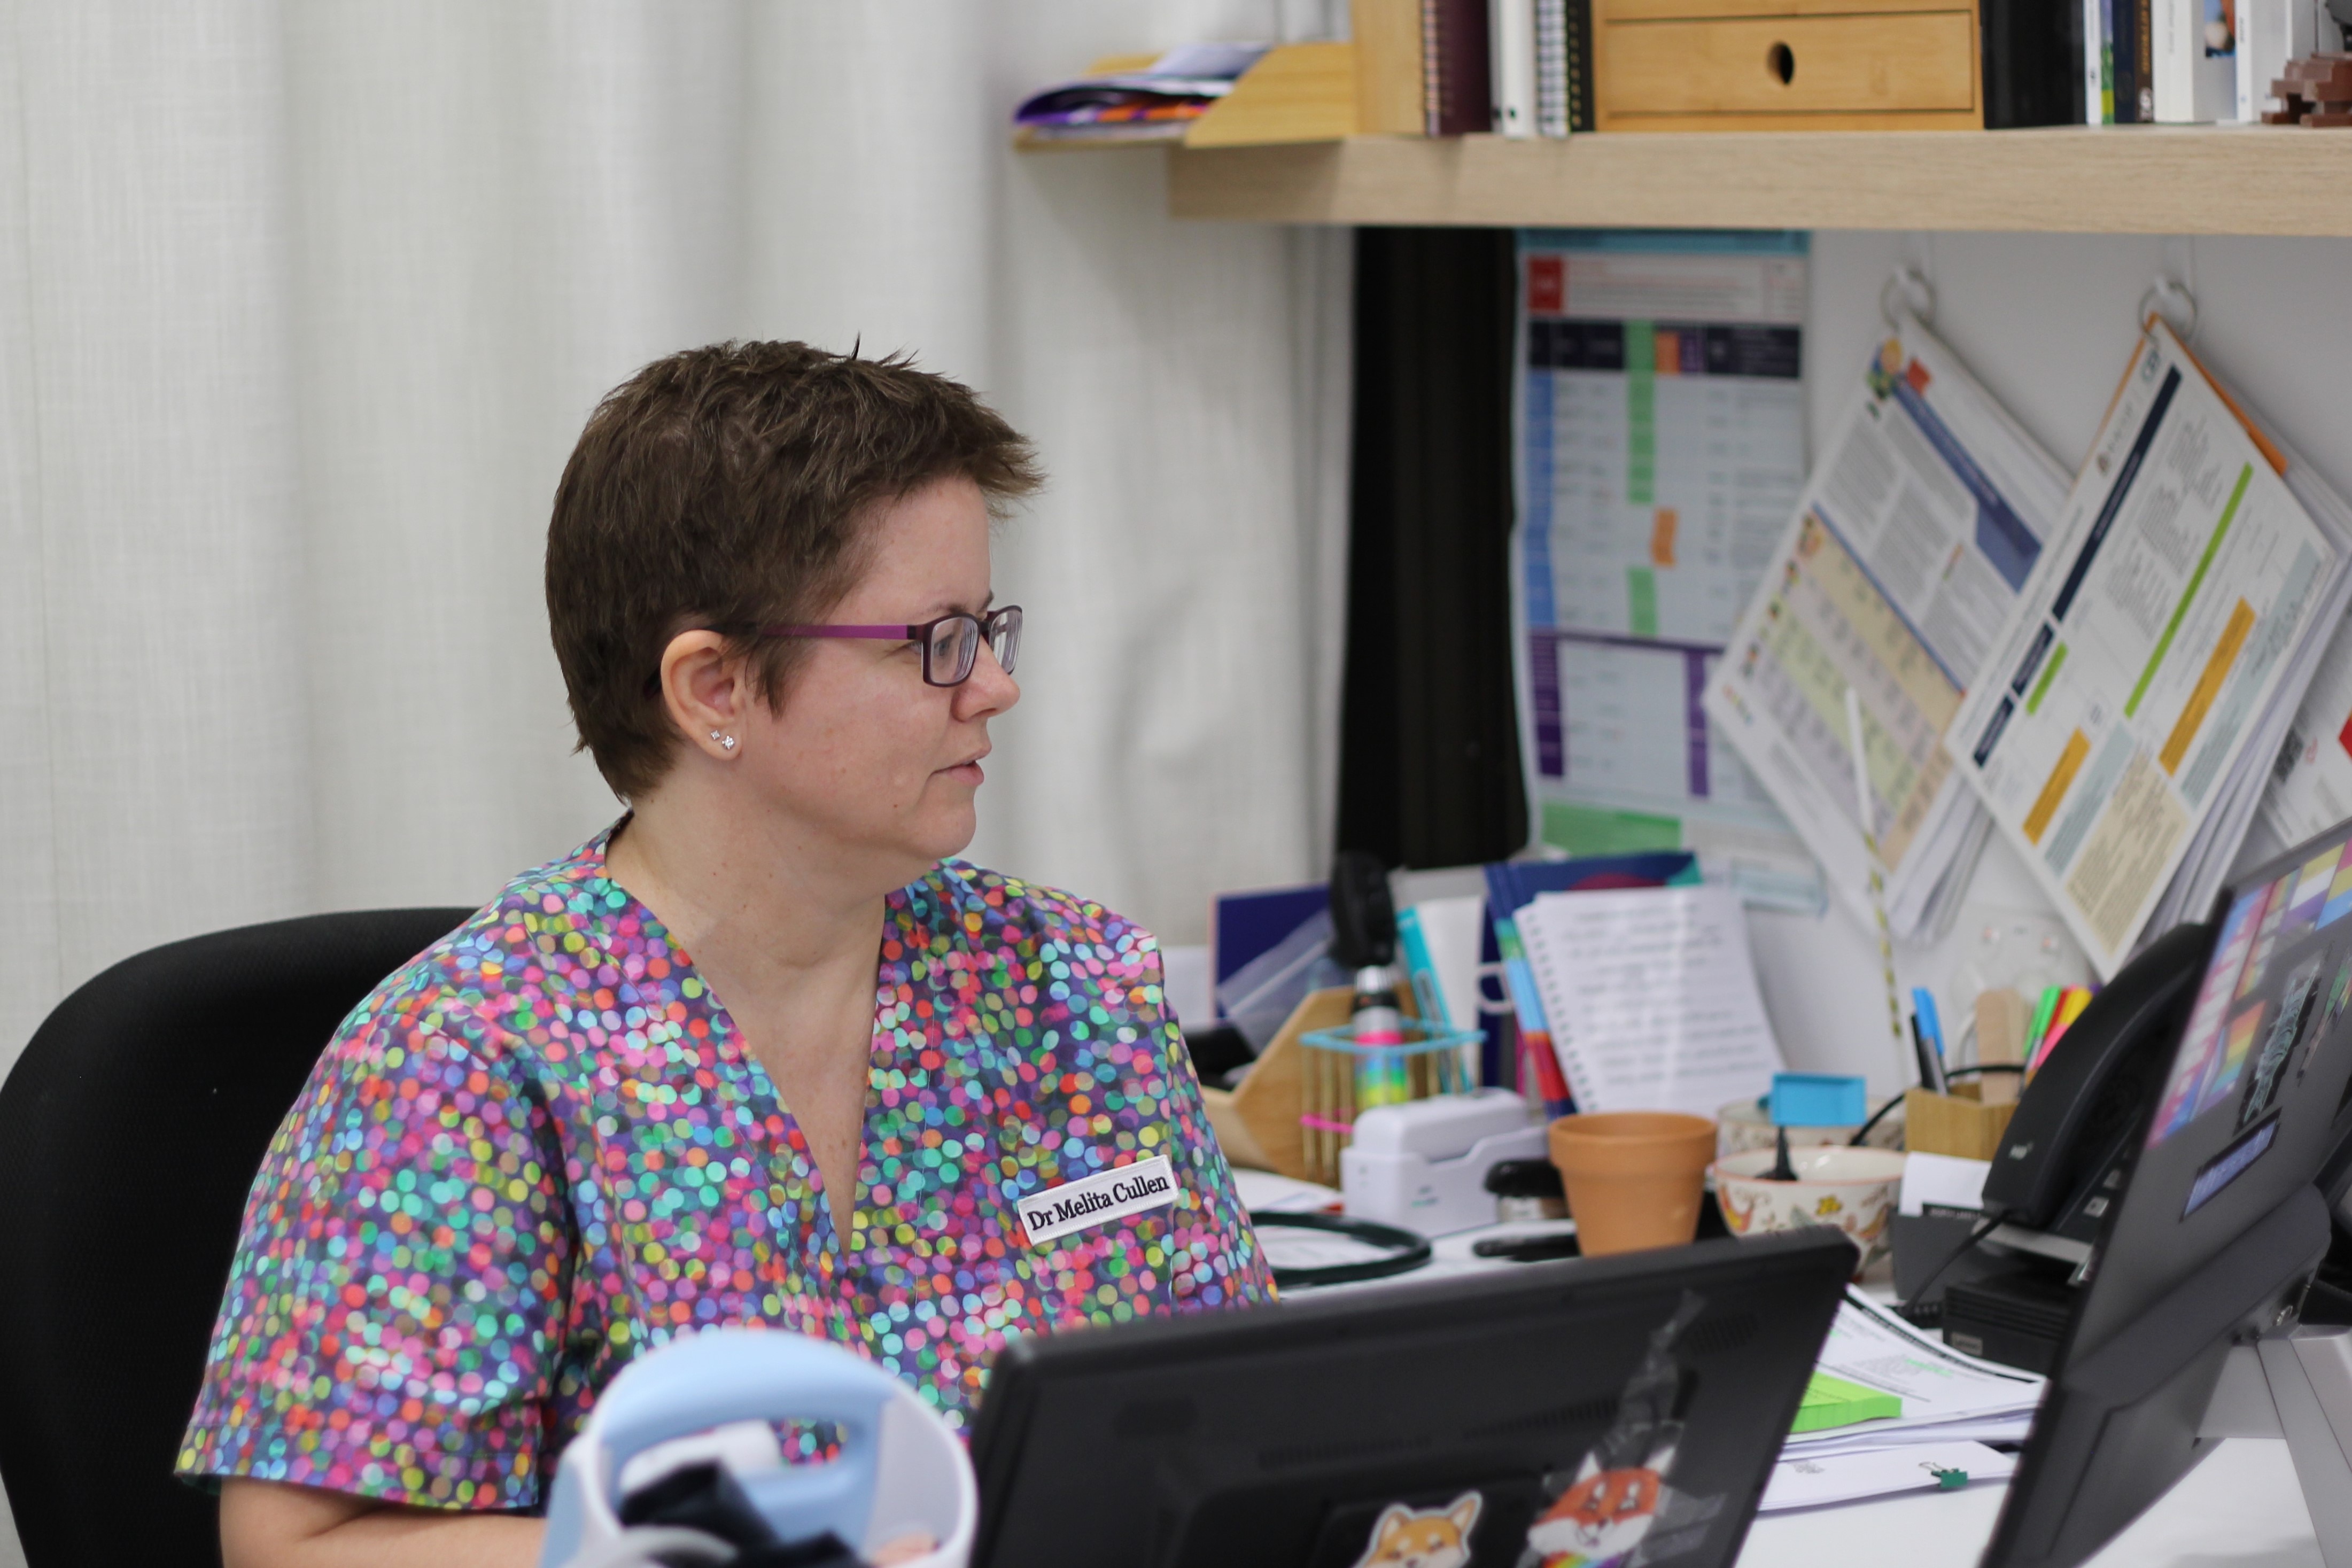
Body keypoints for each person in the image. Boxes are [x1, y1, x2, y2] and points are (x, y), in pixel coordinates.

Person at [179, 341, 1275, 1567]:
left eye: (991, 628)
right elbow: (298, 1549)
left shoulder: (1071, 985)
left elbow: (1237, 1417)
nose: (997, 687)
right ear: (715, 689)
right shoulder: (461, 1059)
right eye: (938, 641)